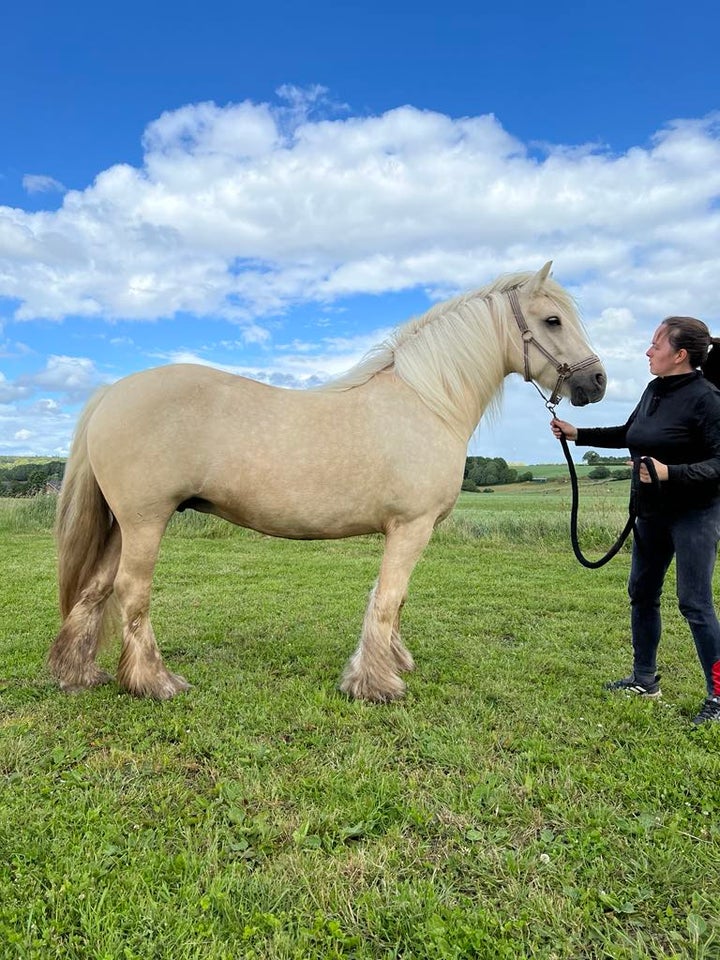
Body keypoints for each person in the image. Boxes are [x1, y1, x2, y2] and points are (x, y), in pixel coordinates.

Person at [551, 316, 720, 724]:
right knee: (641, 593)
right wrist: (578, 434)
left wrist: (670, 473)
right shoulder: (653, 390)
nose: (648, 352)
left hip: (695, 513)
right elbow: (631, 432)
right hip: (651, 511)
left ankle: (719, 697)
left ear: (679, 355)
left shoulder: (708, 398)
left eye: (655, 345)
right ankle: (645, 680)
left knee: (695, 603)